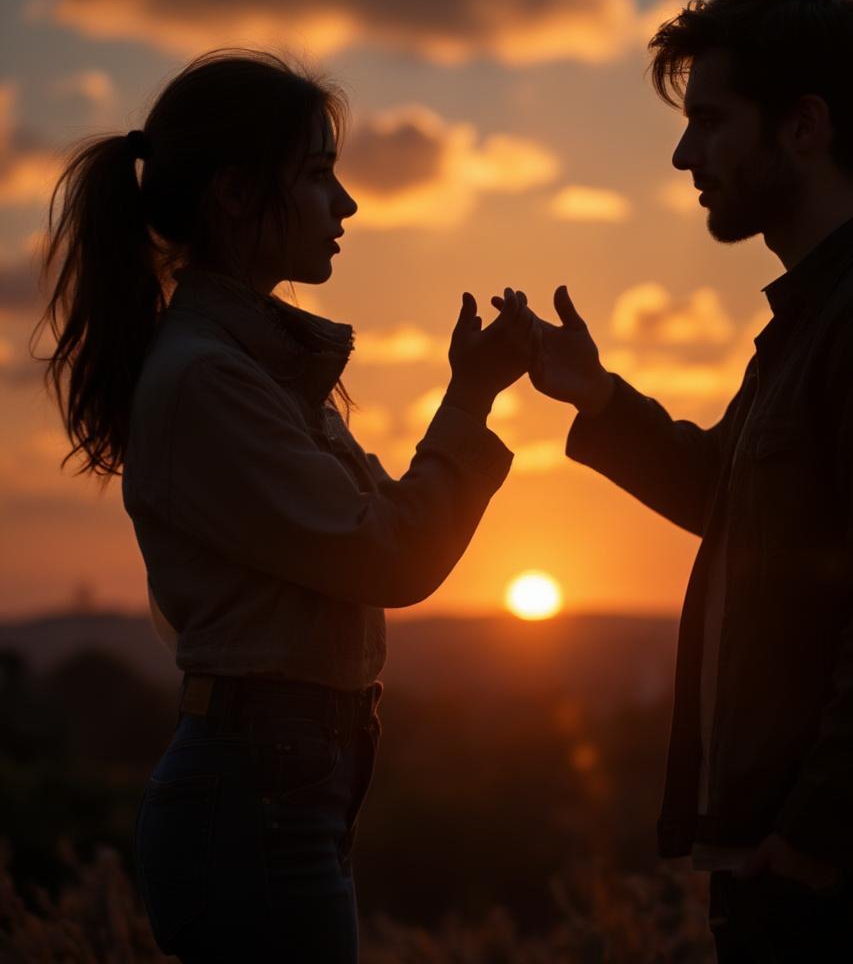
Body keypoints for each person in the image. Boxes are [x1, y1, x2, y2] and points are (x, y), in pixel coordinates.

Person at [519, 0, 853, 963]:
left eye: (711, 119)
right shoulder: (821, 316)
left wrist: (819, 832)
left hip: (839, 880)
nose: (684, 153)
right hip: (790, 864)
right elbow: (726, 498)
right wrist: (600, 400)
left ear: (804, 126)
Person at [34, 49, 533, 962]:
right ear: (234, 193)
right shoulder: (210, 382)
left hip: (277, 796)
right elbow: (393, 555)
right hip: (254, 807)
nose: (344, 205)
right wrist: (468, 404)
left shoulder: (254, 370)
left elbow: (385, 526)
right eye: (317, 175)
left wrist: (471, 393)